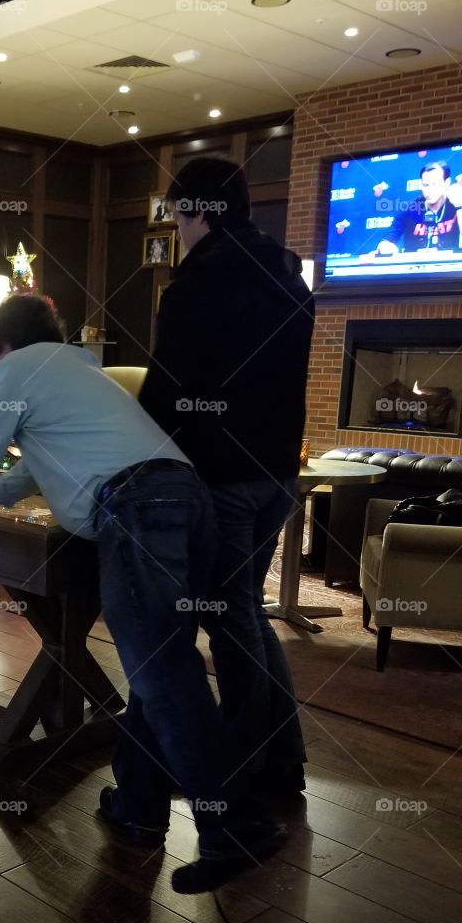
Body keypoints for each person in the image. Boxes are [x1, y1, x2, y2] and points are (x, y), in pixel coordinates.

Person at [0, 293, 287, 893]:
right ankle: (139, 806)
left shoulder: (16, 369)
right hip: (186, 500)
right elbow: (37, 465)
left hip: (139, 510)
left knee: (163, 673)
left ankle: (236, 826)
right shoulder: (79, 371)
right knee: (158, 665)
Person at [140, 157, 314, 800]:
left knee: (227, 615)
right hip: (277, 475)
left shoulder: (198, 285)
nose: (178, 231)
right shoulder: (290, 282)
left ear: (199, 212)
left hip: (223, 476)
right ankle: (281, 758)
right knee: (242, 611)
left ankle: (249, 767)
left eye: (178, 216)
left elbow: (167, 390)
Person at [376, 162, 461, 254]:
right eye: (426, 185)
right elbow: (388, 238)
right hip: (415, 266)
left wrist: (459, 206)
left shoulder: (456, 205)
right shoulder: (409, 208)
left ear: (446, 183)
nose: (430, 190)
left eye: (435, 184)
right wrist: (385, 246)